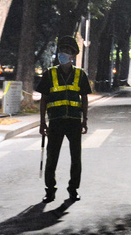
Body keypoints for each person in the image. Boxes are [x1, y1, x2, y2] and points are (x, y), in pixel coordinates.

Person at [35, 35, 91, 202]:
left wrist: (84, 120)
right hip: (56, 121)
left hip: (74, 121)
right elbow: (44, 99)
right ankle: (50, 190)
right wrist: (42, 122)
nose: (63, 53)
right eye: (62, 50)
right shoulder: (49, 74)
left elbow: (85, 98)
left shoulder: (81, 75)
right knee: (52, 157)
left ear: (73, 55)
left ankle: (73, 189)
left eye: (67, 51)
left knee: (76, 158)